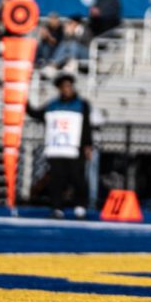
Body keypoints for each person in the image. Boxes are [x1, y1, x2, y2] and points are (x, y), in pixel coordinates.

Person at [27, 74, 93, 218]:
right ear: (59, 89)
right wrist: (24, 103)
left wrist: (88, 145)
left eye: (69, 86)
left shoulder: (82, 105)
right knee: (57, 179)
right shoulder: (53, 105)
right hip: (57, 149)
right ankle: (57, 208)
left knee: (78, 179)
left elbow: (87, 126)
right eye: (64, 87)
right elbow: (36, 114)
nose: (67, 89)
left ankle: (80, 207)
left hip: (76, 149)